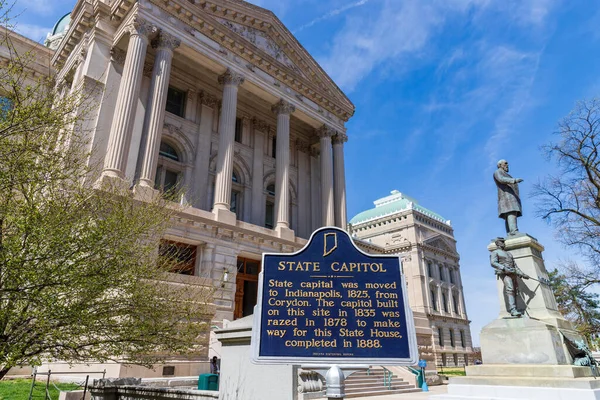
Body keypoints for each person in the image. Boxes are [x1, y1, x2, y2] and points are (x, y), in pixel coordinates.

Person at [490, 237, 529, 317]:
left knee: (515, 291)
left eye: (503, 242)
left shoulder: (509, 254)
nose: (504, 243)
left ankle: (517, 309)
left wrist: (522, 274)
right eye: (502, 242)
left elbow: (515, 266)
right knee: (510, 289)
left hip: (513, 273)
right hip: (504, 273)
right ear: (498, 243)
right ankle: (513, 309)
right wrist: (504, 268)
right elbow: (493, 263)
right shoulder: (495, 252)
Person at [494, 160, 524, 236]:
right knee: (511, 211)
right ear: (500, 165)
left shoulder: (506, 174)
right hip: (507, 197)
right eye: (505, 163)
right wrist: (514, 180)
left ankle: (510, 232)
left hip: (509, 197)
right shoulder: (498, 172)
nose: (507, 165)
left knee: (511, 213)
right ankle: (513, 231)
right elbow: (501, 179)